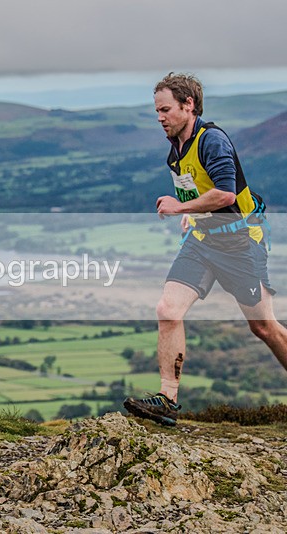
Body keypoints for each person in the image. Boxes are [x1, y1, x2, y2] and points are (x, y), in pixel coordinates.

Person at [124, 72, 287, 426]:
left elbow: (226, 194)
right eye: (156, 111)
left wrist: (180, 207)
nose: (159, 117)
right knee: (168, 310)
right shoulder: (176, 146)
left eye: (165, 109)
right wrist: (192, 212)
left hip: (240, 242)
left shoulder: (212, 140)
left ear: (189, 105)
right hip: (202, 242)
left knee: (263, 327)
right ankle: (167, 399)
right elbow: (200, 189)